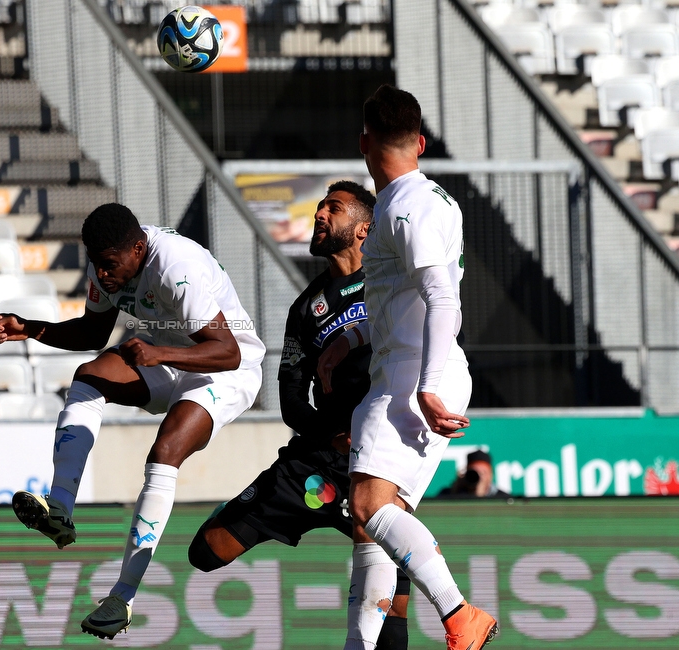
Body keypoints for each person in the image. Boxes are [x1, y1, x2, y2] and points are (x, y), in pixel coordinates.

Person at [0, 203, 265, 640]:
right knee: (89, 377)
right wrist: (32, 328)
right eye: (96, 264)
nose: (102, 274)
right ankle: (59, 508)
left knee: (166, 450)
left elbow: (227, 351)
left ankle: (123, 596)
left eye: (110, 265)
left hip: (225, 370)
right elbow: (92, 334)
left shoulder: (176, 267)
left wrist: (160, 354)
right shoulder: (109, 264)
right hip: (167, 354)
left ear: (138, 249)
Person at [187, 181, 411, 650]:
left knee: (391, 607)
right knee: (205, 551)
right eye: (320, 206)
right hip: (314, 463)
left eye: (334, 208)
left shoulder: (391, 284)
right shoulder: (305, 309)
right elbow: (291, 398)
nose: (320, 214)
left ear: (364, 229)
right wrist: (330, 434)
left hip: (378, 463)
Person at [317, 85, 499, 650]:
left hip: (413, 375)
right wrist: (353, 337)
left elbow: (443, 299)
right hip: (420, 365)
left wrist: (423, 389)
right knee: (372, 523)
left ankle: (458, 613)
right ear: (419, 142)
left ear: (365, 144)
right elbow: (406, 298)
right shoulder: (437, 200)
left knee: (369, 507)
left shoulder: (401, 207)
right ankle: (361, 646)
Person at [438, 450, 510, 499]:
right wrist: (455, 493)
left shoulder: (503, 499)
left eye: (483, 472)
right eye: (475, 472)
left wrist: (480, 495)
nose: (479, 476)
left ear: (490, 475)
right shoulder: (447, 494)